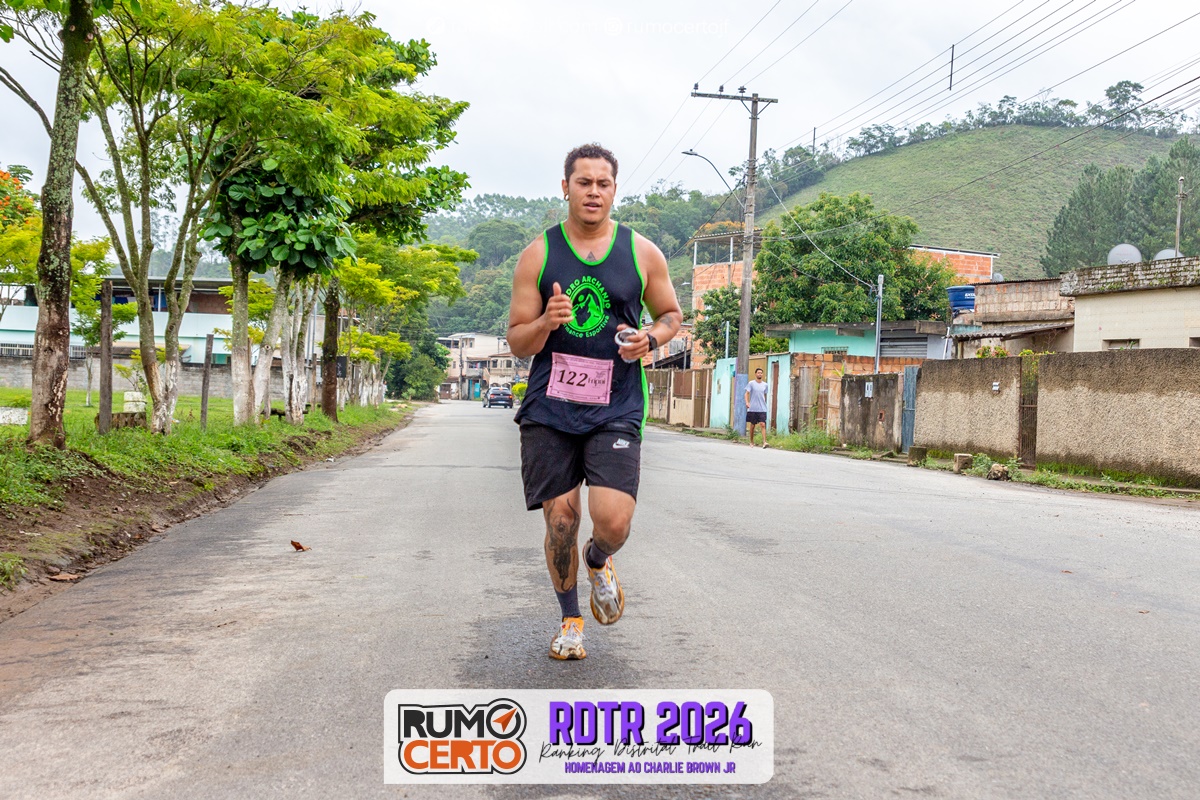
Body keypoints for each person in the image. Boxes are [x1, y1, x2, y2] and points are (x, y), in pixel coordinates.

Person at [507, 143, 682, 660]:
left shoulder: (642, 253)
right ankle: (570, 622)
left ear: (614, 190)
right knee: (561, 521)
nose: (593, 192)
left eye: (603, 184)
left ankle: (599, 560)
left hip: (617, 404)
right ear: (566, 188)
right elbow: (517, 340)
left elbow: (671, 315)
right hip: (551, 408)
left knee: (613, 521)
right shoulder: (538, 254)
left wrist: (650, 339)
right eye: (583, 182)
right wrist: (546, 321)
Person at [745, 367, 769, 448]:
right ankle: (751, 441)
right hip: (753, 408)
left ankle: (764, 442)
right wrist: (747, 402)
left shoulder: (765, 385)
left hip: (762, 408)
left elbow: (764, 395)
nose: (760, 374)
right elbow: (746, 393)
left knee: (763, 424)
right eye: (758, 373)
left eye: (761, 373)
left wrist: (764, 403)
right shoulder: (751, 383)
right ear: (755, 374)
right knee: (752, 425)